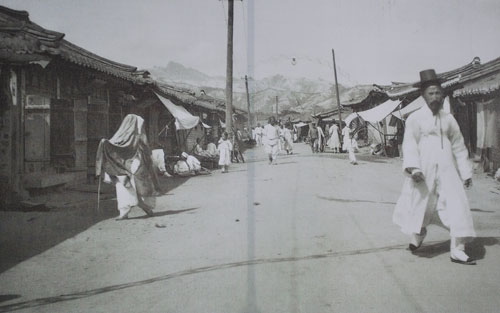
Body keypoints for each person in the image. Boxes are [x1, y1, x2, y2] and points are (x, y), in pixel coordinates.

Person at [393, 69, 476, 265]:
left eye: (438, 93)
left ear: (442, 95)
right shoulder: (414, 118)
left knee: (457, 207)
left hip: (447, 171)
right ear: (423, 95)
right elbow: (410, 144)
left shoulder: (448, 119)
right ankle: (418, 234)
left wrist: (465, 172)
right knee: (420, 205)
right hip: (423, 170)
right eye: (431, 93)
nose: (435, 97)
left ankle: (457, 249)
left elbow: (458, 145)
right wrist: (413, 168)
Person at [95, 114, 161, 220]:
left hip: (137, 165)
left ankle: (146, 208)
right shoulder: (122, 137)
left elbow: (146, 150)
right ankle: (125, 212)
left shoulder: (139, 137)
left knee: (139, 188)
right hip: (122, 166)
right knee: (123, 188)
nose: (141, 128)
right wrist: (105, 143)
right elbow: (114, 145)